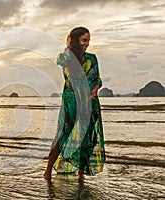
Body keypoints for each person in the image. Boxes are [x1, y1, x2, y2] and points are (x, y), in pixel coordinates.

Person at [43, 27, 106, 180]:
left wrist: (95, 90)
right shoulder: (66, 59)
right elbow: (71, 76)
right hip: (72, 102)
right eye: (84, 40)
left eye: (89, 40)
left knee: (86, 136)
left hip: (90, 103)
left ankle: (81, 174)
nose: (87, 44)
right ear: (76, 40)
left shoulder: (93, 58)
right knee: (64, 134)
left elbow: (97, 79)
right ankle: (48, 170)